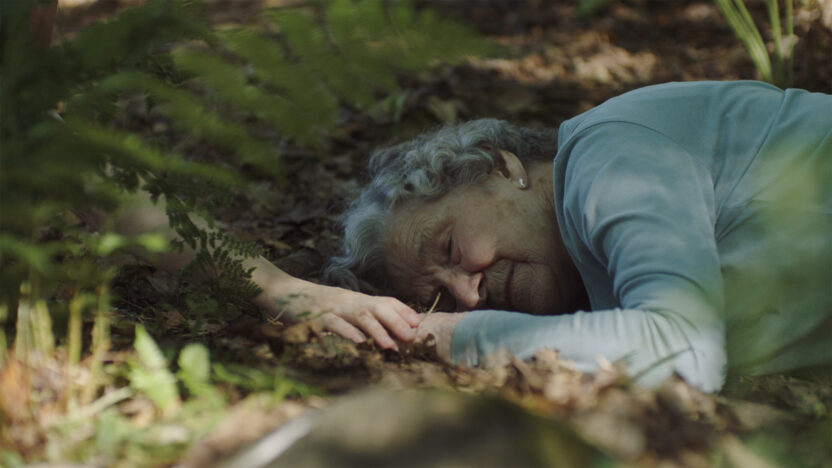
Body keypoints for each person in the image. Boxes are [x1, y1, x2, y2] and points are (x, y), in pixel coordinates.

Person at [124, 80, 830, 393]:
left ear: (502, 167)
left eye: (449, 250)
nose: (469, 292)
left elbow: (683, 351)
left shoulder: (608, 157)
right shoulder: (587, 275)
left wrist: (447, 336)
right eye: (443, 298)